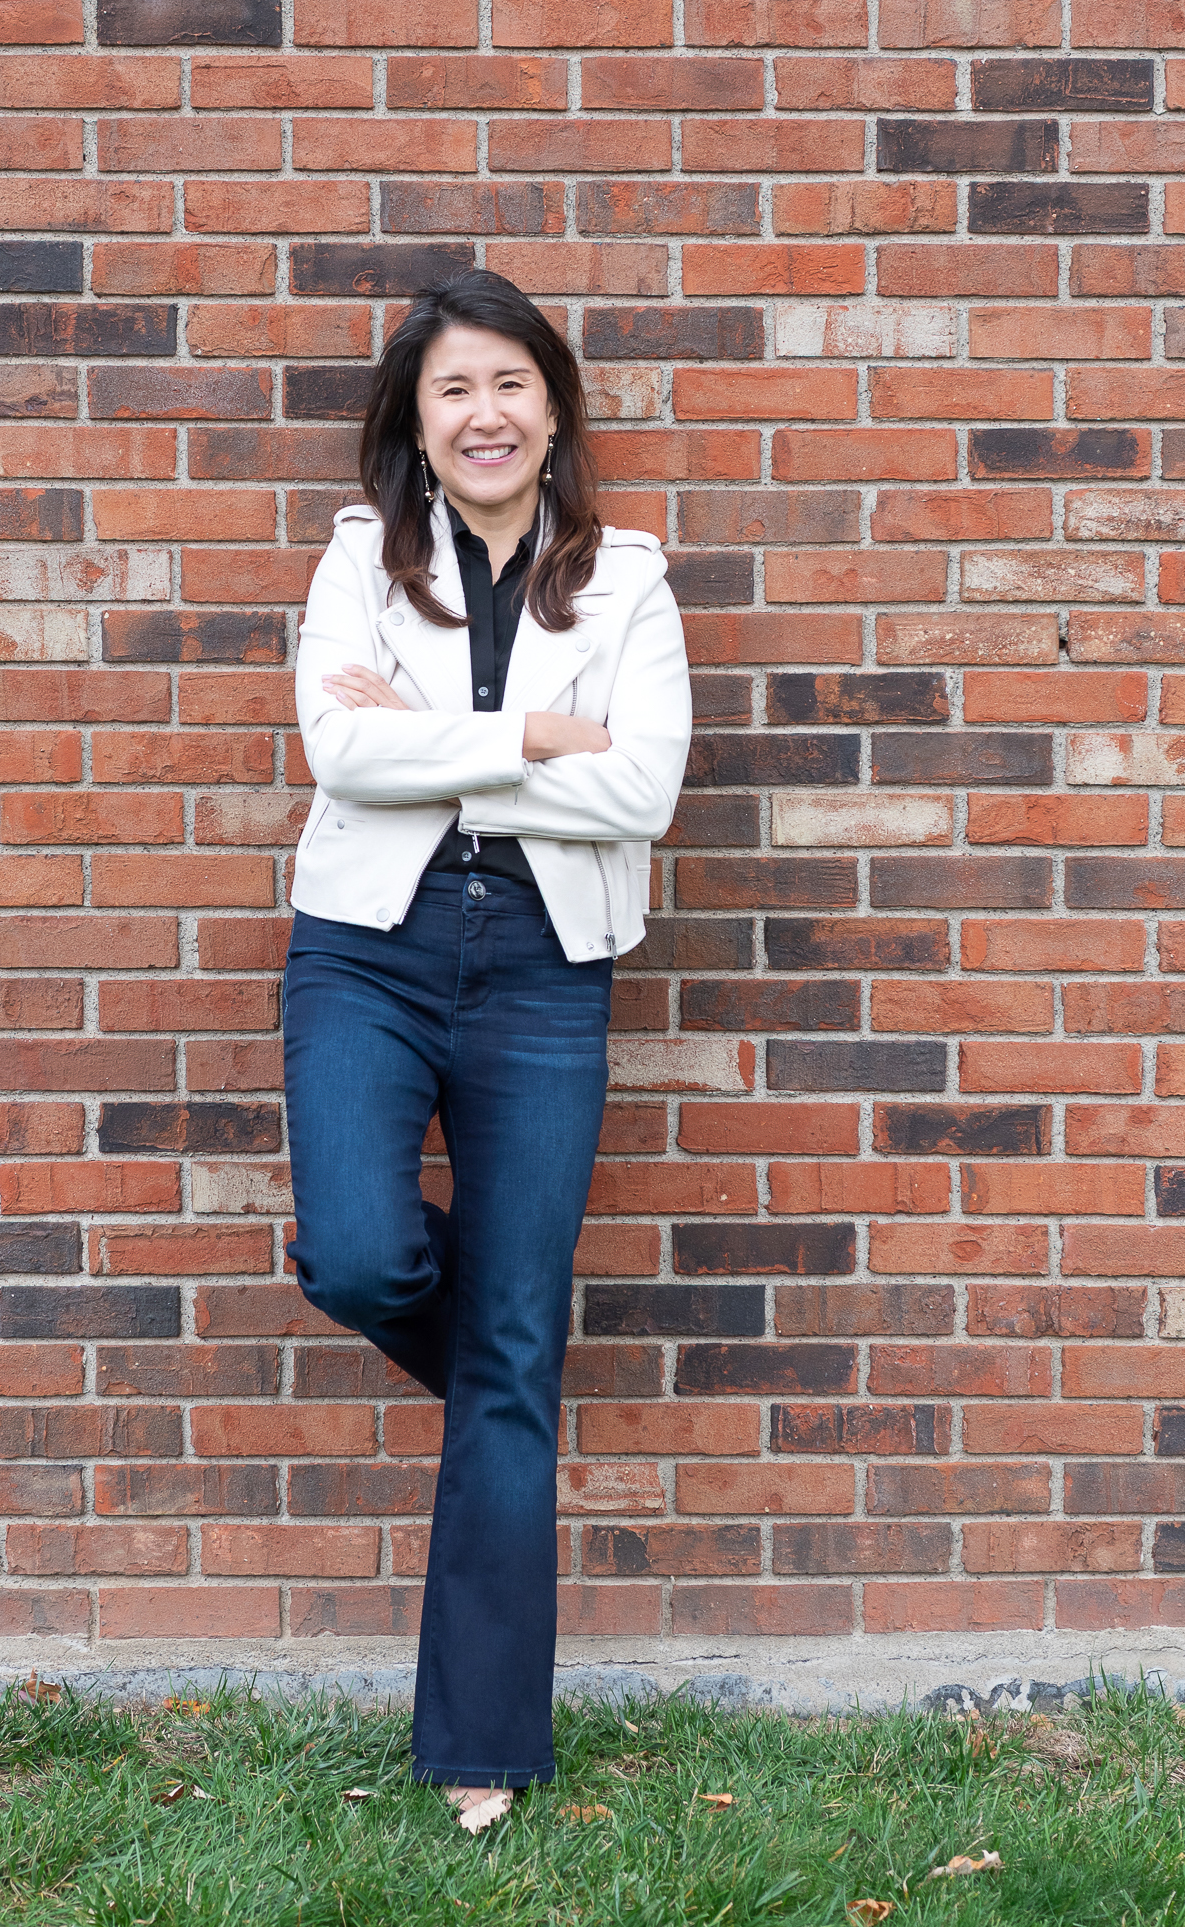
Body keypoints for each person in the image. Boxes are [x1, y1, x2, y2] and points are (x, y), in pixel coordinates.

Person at [282, 269, 692, 1822]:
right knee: (362, 1259)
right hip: (366, 957)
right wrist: (529, 737)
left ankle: (480, 1754)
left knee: (515, 1343)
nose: (484, 415)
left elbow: (639, 792)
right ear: (415, 420)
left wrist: (436, 756)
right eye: (452, 389)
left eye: (509, 383)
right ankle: (506, 1385)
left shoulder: (626, 581)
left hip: (540, 972)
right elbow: (340, 750)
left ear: (552, 407)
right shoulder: (358, 564)